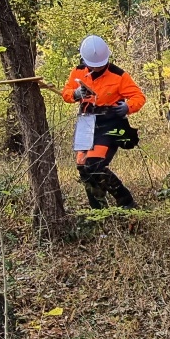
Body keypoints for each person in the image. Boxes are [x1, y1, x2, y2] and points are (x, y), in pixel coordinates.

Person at [61, 35, 146, 209]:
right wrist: (75, 94)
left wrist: (127, 107)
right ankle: (98, 209)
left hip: (109, 123)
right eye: (92, 65)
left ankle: (126, 202)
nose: (95, 67)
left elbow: (138, 97)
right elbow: (66, 93)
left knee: (95, 165)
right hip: (86, 121)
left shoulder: (119, 75)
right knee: (83, 167)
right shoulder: (78, 72)